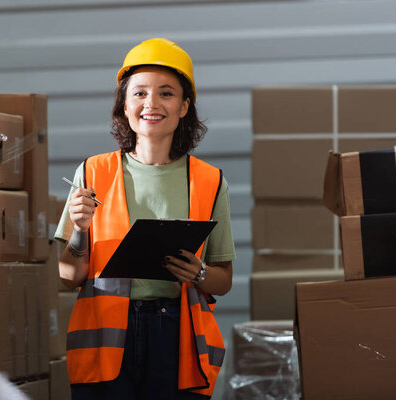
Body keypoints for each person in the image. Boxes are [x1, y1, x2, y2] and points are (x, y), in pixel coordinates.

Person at [54, 38, 235, 400]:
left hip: (177, 339)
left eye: (166, 93)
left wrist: (198, 273)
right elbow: (67, 277)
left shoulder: (210, 181)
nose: (151, 103)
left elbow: (223, 280)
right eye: (139, 93)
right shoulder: (92, 172)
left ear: (184, 107)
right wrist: (79, 231)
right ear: (124, 105)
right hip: (105, 344)